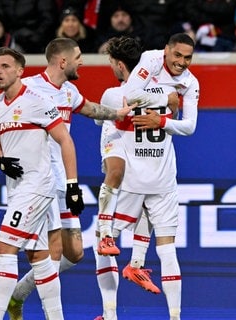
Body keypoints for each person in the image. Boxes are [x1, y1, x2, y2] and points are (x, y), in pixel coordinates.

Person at [5, 37, 163, 320]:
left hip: (63, 180)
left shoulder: (69, 91)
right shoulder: (28, 87)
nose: (83, 61)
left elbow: (90, 109)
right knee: (51, 251)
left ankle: (17, 294)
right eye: (78, 56)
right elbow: (1, 114)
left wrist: (118, 113)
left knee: (74, 253)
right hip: (37, 181)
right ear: (62, 61)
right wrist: (3, 155)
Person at [95, 33, 199, 320]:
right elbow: (182, 121)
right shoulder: (164, 82)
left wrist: (160, 117)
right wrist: (168, 101)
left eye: (187, 58)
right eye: (177, 56)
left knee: (104, 244)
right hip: (161, 175)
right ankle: (171, 311)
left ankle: (110, 312)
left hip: (134, 177)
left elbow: (118, 102)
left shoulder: (115, 93)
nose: (181, 62)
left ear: (118, 65)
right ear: (163, 53)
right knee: (167, 249)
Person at [0, 46, 84, 320]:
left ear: (20, 71)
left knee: (5, 246)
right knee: (39, 256)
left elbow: (65, 139)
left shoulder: (37, 101)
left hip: (38, 187)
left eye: (5, 66)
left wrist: (73, 185)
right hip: (16, 190)